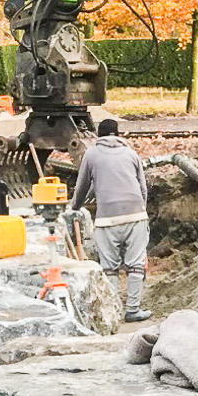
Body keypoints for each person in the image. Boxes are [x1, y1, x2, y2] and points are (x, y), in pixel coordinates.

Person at [70, 116, 151, 322]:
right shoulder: (131, 154)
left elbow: (82, 187)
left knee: (110, 267)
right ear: (119, 134)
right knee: (135, 265)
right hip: (136, 215)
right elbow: (142, 187)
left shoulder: (91, 154)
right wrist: (142, 212)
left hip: (107, 220)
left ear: (98, 135)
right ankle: (133, 311)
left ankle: (113, 312)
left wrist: (74, 209)